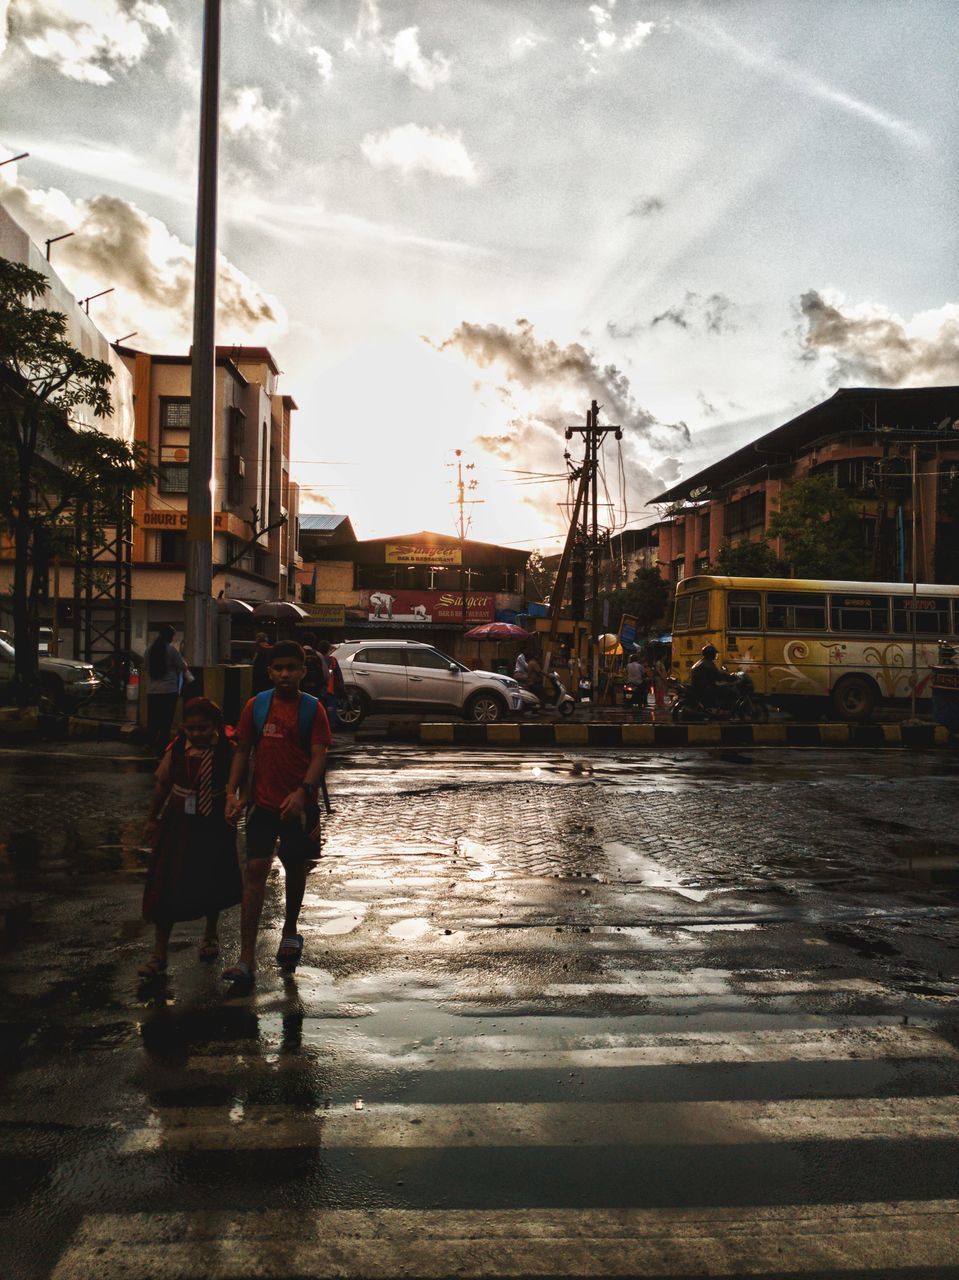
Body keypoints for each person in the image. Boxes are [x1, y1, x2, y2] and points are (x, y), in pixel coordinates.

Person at [224, 641, 331, 984]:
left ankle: (290, 928)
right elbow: (242, 749)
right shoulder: (256, 706)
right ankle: (246, 959)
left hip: (298, 808)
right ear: (269, 672)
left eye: (291, 668)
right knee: (254, 871)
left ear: (303, 671)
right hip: (261, 805)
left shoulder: (313, 710)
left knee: (294, 866)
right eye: (278, 668)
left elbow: (318, 756)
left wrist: (303, 793)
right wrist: (232, 792)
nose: (285, 674)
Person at [138, 697, 243, 979]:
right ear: (183, 727)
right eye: (191, 728)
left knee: (212, 879)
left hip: (213, 822)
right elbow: (162, 786)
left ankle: (211, 933)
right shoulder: (175, 752)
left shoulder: (227, 751)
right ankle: (159, 952)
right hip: (178, 820)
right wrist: (152, 819)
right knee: (166, 883)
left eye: (202, 728)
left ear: (214, 726)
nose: (196, 734)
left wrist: (235, 804)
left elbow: (241, 782)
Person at [146, 624, 191, 753]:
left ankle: (150, 743)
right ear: (169, 637)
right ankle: (162, 745)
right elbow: (183, 666)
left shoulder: (149, 649)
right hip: (169, 690)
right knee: (166, 720)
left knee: (153, 718)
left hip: (153, 690)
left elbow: (146, 667)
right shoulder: (171, 650)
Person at [690, 643, 737, 712]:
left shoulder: (701, 662)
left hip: (700, 687)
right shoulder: (707, 664)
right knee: (728, 691)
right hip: (705, 688)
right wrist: (730, 677)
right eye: (714, 653)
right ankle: (723, 709)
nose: (715, 655)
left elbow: (714, 674)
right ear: (710, 654)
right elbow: (717, 675)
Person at [316, 640, 345, 729]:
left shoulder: (315, 659)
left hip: (317, 691)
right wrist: (342, 689)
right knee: (330, 713)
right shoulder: (332, 660)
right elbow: (338, 677)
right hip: (330, 690)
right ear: (328, 650)